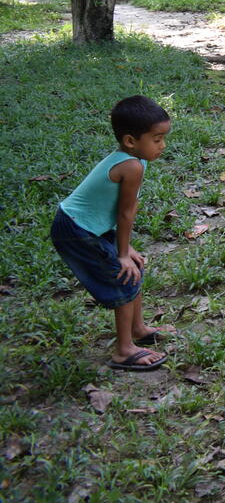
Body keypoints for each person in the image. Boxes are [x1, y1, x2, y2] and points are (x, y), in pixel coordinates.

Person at [51, 96, 173, 370]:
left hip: (90, 225)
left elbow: (122, 210)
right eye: (157, 139)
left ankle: (139, 329)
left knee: (135, 267)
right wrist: (121, 254)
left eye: (163, 138)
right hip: (76, 229)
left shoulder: (135, 160)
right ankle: (124, 350)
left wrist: (126, 248)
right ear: (131, 141)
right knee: (124, 277)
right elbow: (126, 213)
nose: (162, 145)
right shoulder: (130, 165)